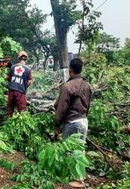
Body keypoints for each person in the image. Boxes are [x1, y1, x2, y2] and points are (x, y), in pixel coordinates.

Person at [54, 58, 92, 188]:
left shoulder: (67, 86)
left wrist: (56, 125)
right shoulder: (87, 85)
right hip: (83, 121)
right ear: (81, 69)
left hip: (71, 123)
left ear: (70, 70)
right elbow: (88, 104)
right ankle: (80, 177)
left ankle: (74, 179)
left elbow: (61, 108)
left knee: (68, 150)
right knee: (80, 149)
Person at [7, 51, 33, 116]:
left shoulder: (13, 67)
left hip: (11, 89)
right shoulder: (28, 69)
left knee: (10, 107)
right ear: (26, 59)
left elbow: (7, 77)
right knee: (22, 110)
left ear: (19, 59)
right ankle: (21, 123)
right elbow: (30, 81)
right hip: (20, 91)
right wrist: (24, 86)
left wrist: (12, 82)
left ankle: (9, 120)